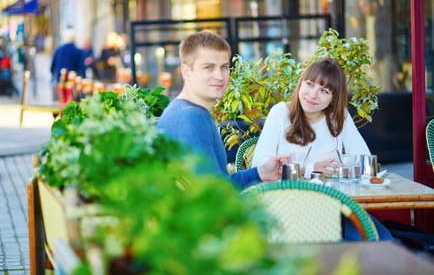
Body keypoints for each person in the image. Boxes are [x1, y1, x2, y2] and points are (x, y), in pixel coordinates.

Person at [252, 57, 393, 240]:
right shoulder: (281, 113)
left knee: (383, 240)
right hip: (288, 207)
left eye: (324, 91)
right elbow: (259, 166)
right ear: (301, 83)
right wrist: (309, 168)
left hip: (335, 206)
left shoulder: (338, 117)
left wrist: (344, 166)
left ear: (334, 97)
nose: (313, 95)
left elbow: (363, 157)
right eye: (309, 84)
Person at [157, 31, 289, 189]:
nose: (219, 76)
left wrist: (260, 173)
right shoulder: (192, 118)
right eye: (209, 68)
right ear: (186, 71)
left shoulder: (180, 110)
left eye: (224, 67)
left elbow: (217, 182)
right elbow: (213, 194)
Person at [358, 0, 397, 92]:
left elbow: (383, 39)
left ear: (374, 4)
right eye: (361, 7)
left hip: (386, 57)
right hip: (388, 55)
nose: (363, 10)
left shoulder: (381, 17)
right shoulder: (382, 15)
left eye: (365, 6)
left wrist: (378, 59)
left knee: (385, 89)